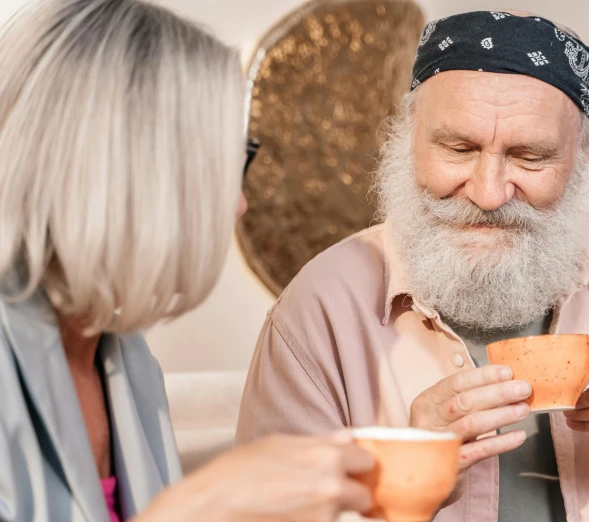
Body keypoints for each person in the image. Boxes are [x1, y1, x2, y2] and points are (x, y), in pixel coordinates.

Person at [236, 10, 589, 522]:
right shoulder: (320, 305)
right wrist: (400, 488)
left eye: (529, 157)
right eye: (458, 148)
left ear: (585, 145)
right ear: (410, 132)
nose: (488, 193)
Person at [0, 1, 374, 521]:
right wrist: (200, 505)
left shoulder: (124, 359)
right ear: (125, 171)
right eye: (224, 160)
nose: (240, 203)